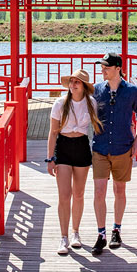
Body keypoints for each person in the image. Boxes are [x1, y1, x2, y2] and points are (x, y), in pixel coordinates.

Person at [91, 52, 137, 256]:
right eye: (102, 67)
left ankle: (117, 229)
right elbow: (81, 106)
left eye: (106, 67)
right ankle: (101, 234)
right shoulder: (96, 90)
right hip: (100, 147)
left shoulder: (133, 91)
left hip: (123, 146)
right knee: (99, 191)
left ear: (117, 68)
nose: (102, 70)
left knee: (119, 190)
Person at [46, 68, 102, 255]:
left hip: (81, 146)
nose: (72, 85)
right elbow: (53, 132)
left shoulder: (91, 103)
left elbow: (96, 129)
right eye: (71, 81)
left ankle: (76, 232)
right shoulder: (60, 103)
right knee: (64, 195)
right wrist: (50, 158)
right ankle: (63, 237)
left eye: (76, 82)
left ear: (84, 86)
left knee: (78, 194)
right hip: (63, 147)